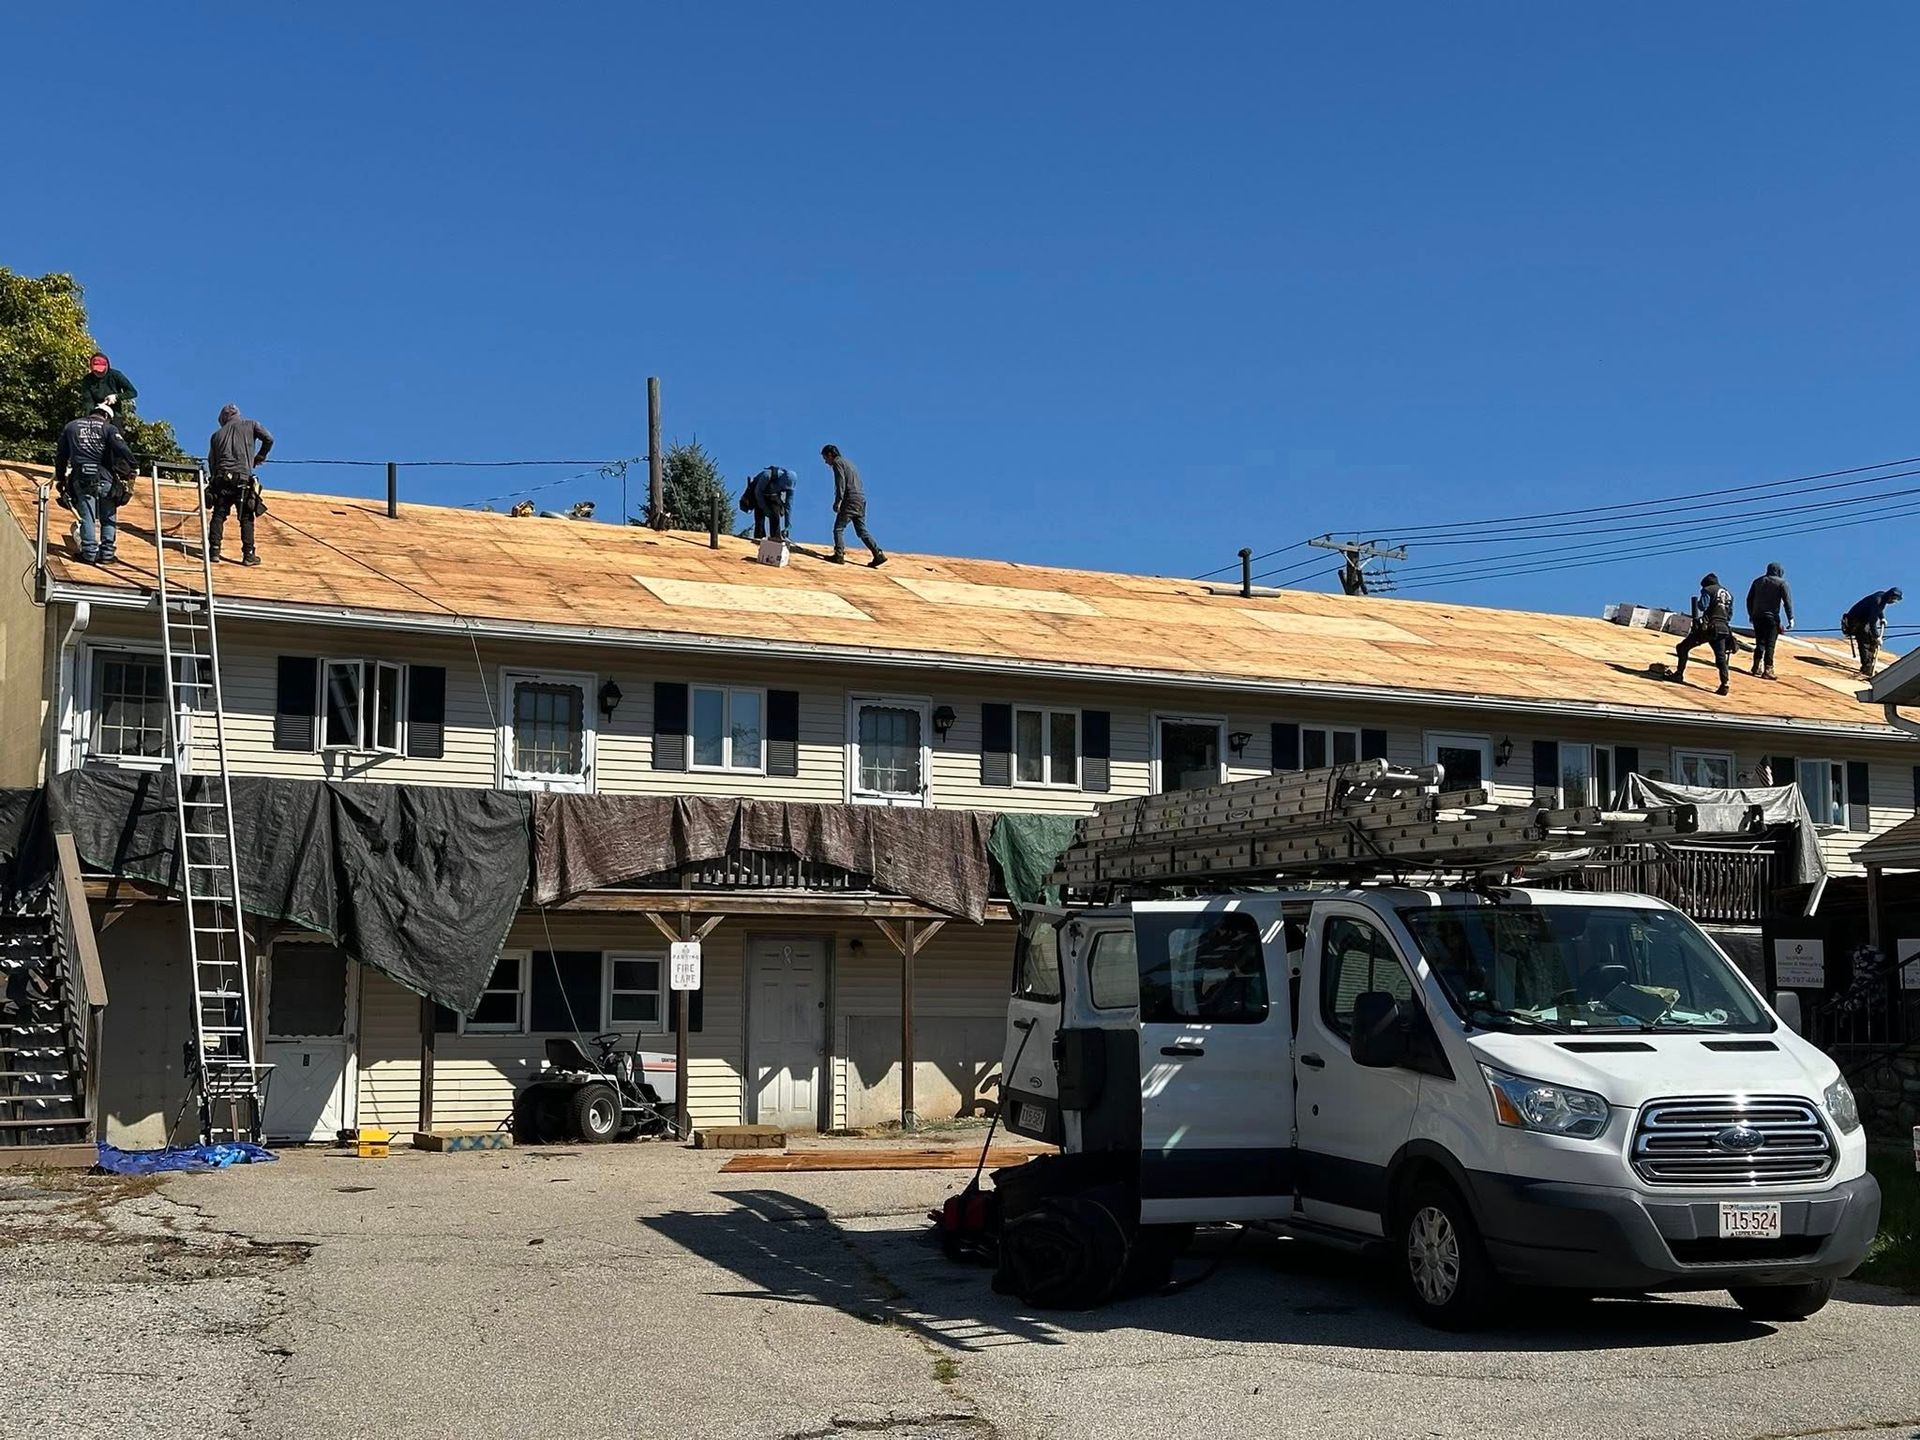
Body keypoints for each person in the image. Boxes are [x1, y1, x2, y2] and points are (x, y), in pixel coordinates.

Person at [54, 403, 136, 565]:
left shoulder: (71, 427)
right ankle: (106, 554)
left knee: (87, 517)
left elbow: (61, 455)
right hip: (106, 478)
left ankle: (89, 553)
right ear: (106, 417)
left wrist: (61, 478)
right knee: (108, 517)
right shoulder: (108, 428)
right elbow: (121, 448)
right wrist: (134, 466)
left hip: (81, 478)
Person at [205, 403, 274, 565]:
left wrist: (214, 482)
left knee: (218, 515)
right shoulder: (251, 425)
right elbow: (269, 439)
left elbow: (212, 462)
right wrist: (260, 456)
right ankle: (248, 555)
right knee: (246, 517)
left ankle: (214, 550)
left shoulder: (216, 436)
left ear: (223, 419)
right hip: (242, 480)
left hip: (222, 479)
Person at [821, 444, 885, 567]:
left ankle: (839, 555)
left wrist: (838, 501)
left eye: (825, 458)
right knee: (862, 530)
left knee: (838, 528)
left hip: (850, 499)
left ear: (830, 455)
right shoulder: (850, 464)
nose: (825, 462)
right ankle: (878, 554)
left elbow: (840, 484)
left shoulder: (837, 463)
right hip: (861, 499)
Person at [1673, 572, 1735, 695]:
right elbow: (1730, 614)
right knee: (1721, 657)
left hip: (1710, 628)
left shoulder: (1708, 590)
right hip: (1724, 628)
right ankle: (1725, 684)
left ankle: (1678, 675)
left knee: (1682, 648)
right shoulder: (1729, 594)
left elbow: (1703, 606)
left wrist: (1697, 603)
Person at [1744, 562, 1794, 680]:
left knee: (1759, 642)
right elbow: (1787, 602)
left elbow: (1749, 599)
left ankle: (1756, 666)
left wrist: (1751, 614)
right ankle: (1768, 669)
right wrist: (1790, 618)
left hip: (1757, 617)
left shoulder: (1757, 581)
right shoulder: (1782, 583)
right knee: (1770, 644)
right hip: (1771, 618)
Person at [1843, 586, 1904, 678]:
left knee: (1873, 641)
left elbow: (1878, 609)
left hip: (1863, 620)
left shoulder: (1881, 596)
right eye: (1894, 599)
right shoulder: (1878, 600)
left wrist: (1882, 617)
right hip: (1855, 621)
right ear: (1890, 597)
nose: (1893, 602)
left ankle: (1869, 664)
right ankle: (1866, 668)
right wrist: (1877, 636)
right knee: (1865, 641)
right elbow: (1872, 622)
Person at [79, 352, 138, 421]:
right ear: (91, 368)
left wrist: (116, 397)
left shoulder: (116, 375)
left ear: (107, 366)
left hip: (115, 415)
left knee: (116, 429)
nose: (99, 372)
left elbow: (133, 392)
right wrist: (92, 414)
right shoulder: (87, 380)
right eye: (96, 370)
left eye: (102, 369)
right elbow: (87, 402)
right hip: (96, 415)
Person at [745, 465, 796, 541]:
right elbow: (758, 493)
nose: (785, 489)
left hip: (772, 495)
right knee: (760, 518)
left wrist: (787, 526)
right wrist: (765, 509)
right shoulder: (767, 475)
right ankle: (759, 538)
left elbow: (788, 506)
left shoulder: (790, 486)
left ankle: (775, 538)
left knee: (775, 515)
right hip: (759, 495)